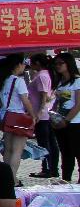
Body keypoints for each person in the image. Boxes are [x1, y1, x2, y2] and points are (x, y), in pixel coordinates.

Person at [0, 53, 34, 184]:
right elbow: (25, 100)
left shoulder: (2, 80)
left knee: (8, 149)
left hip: (6, 115)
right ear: (17, 65)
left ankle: (7, 177)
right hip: (18, 116)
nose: (24, 66)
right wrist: (33, 115)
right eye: (23, 64)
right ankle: (12, 179)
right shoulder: (18, 81)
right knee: (17, 150)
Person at [27, 53, 58, 179]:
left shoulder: (41, 76)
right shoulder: (47, 74)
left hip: (42, 115)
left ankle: (47, 169)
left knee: (44, 143)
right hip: (46, 113)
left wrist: (38, 113)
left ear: (38, 63)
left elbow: (43, 96)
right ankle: (52, 168)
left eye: (32, 62)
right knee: (50, 142)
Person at [54, 52, 80, 182]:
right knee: (65, 153)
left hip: (75, 122)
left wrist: (67, 120)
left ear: (68, 64)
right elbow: (57, 102)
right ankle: (66, 179)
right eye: (56, 64)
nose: (58, 66)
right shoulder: (60, 82)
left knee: (77, 151)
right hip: (60, 121)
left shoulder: (77, 81)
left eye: (61, 63)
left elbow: (78, 104)